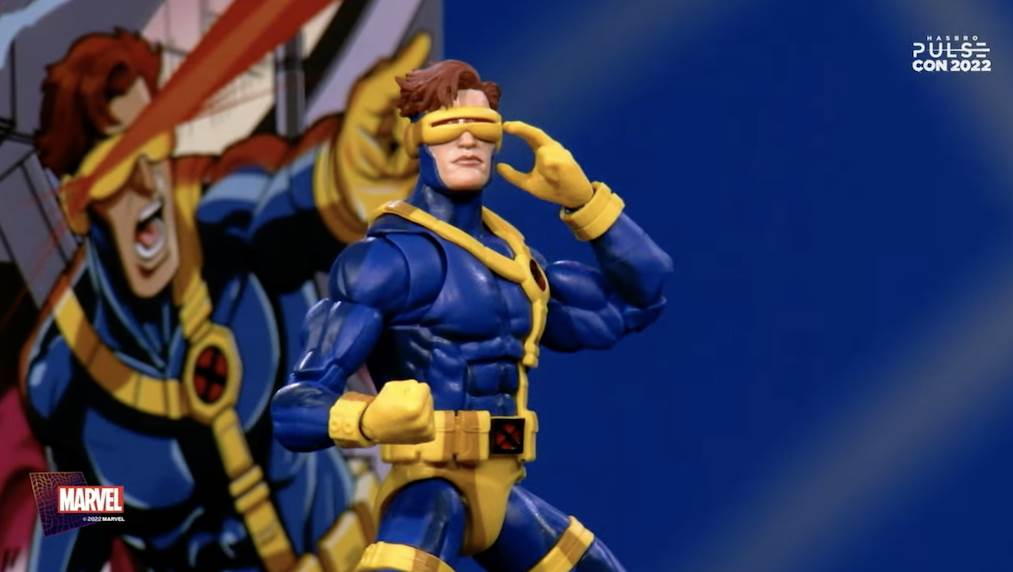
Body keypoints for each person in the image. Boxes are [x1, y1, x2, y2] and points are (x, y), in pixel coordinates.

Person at [20, 29, 429, 571]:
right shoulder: (60, 377)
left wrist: (345, 175)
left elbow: (286, 198)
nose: (146, 181)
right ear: (75, 203)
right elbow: (80, 514)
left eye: (151, 143)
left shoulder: (226, 231)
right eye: (116, 165)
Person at [272, 60, 673, 571]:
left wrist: (585, 203)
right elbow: (294, 409)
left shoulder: (522, 267)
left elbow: (639, 298)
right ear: (418, 137)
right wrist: (368, 418)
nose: (467, 141)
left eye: (482, 127)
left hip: (502, 489)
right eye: (448, 126)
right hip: (429, 489)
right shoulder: (387, 262)